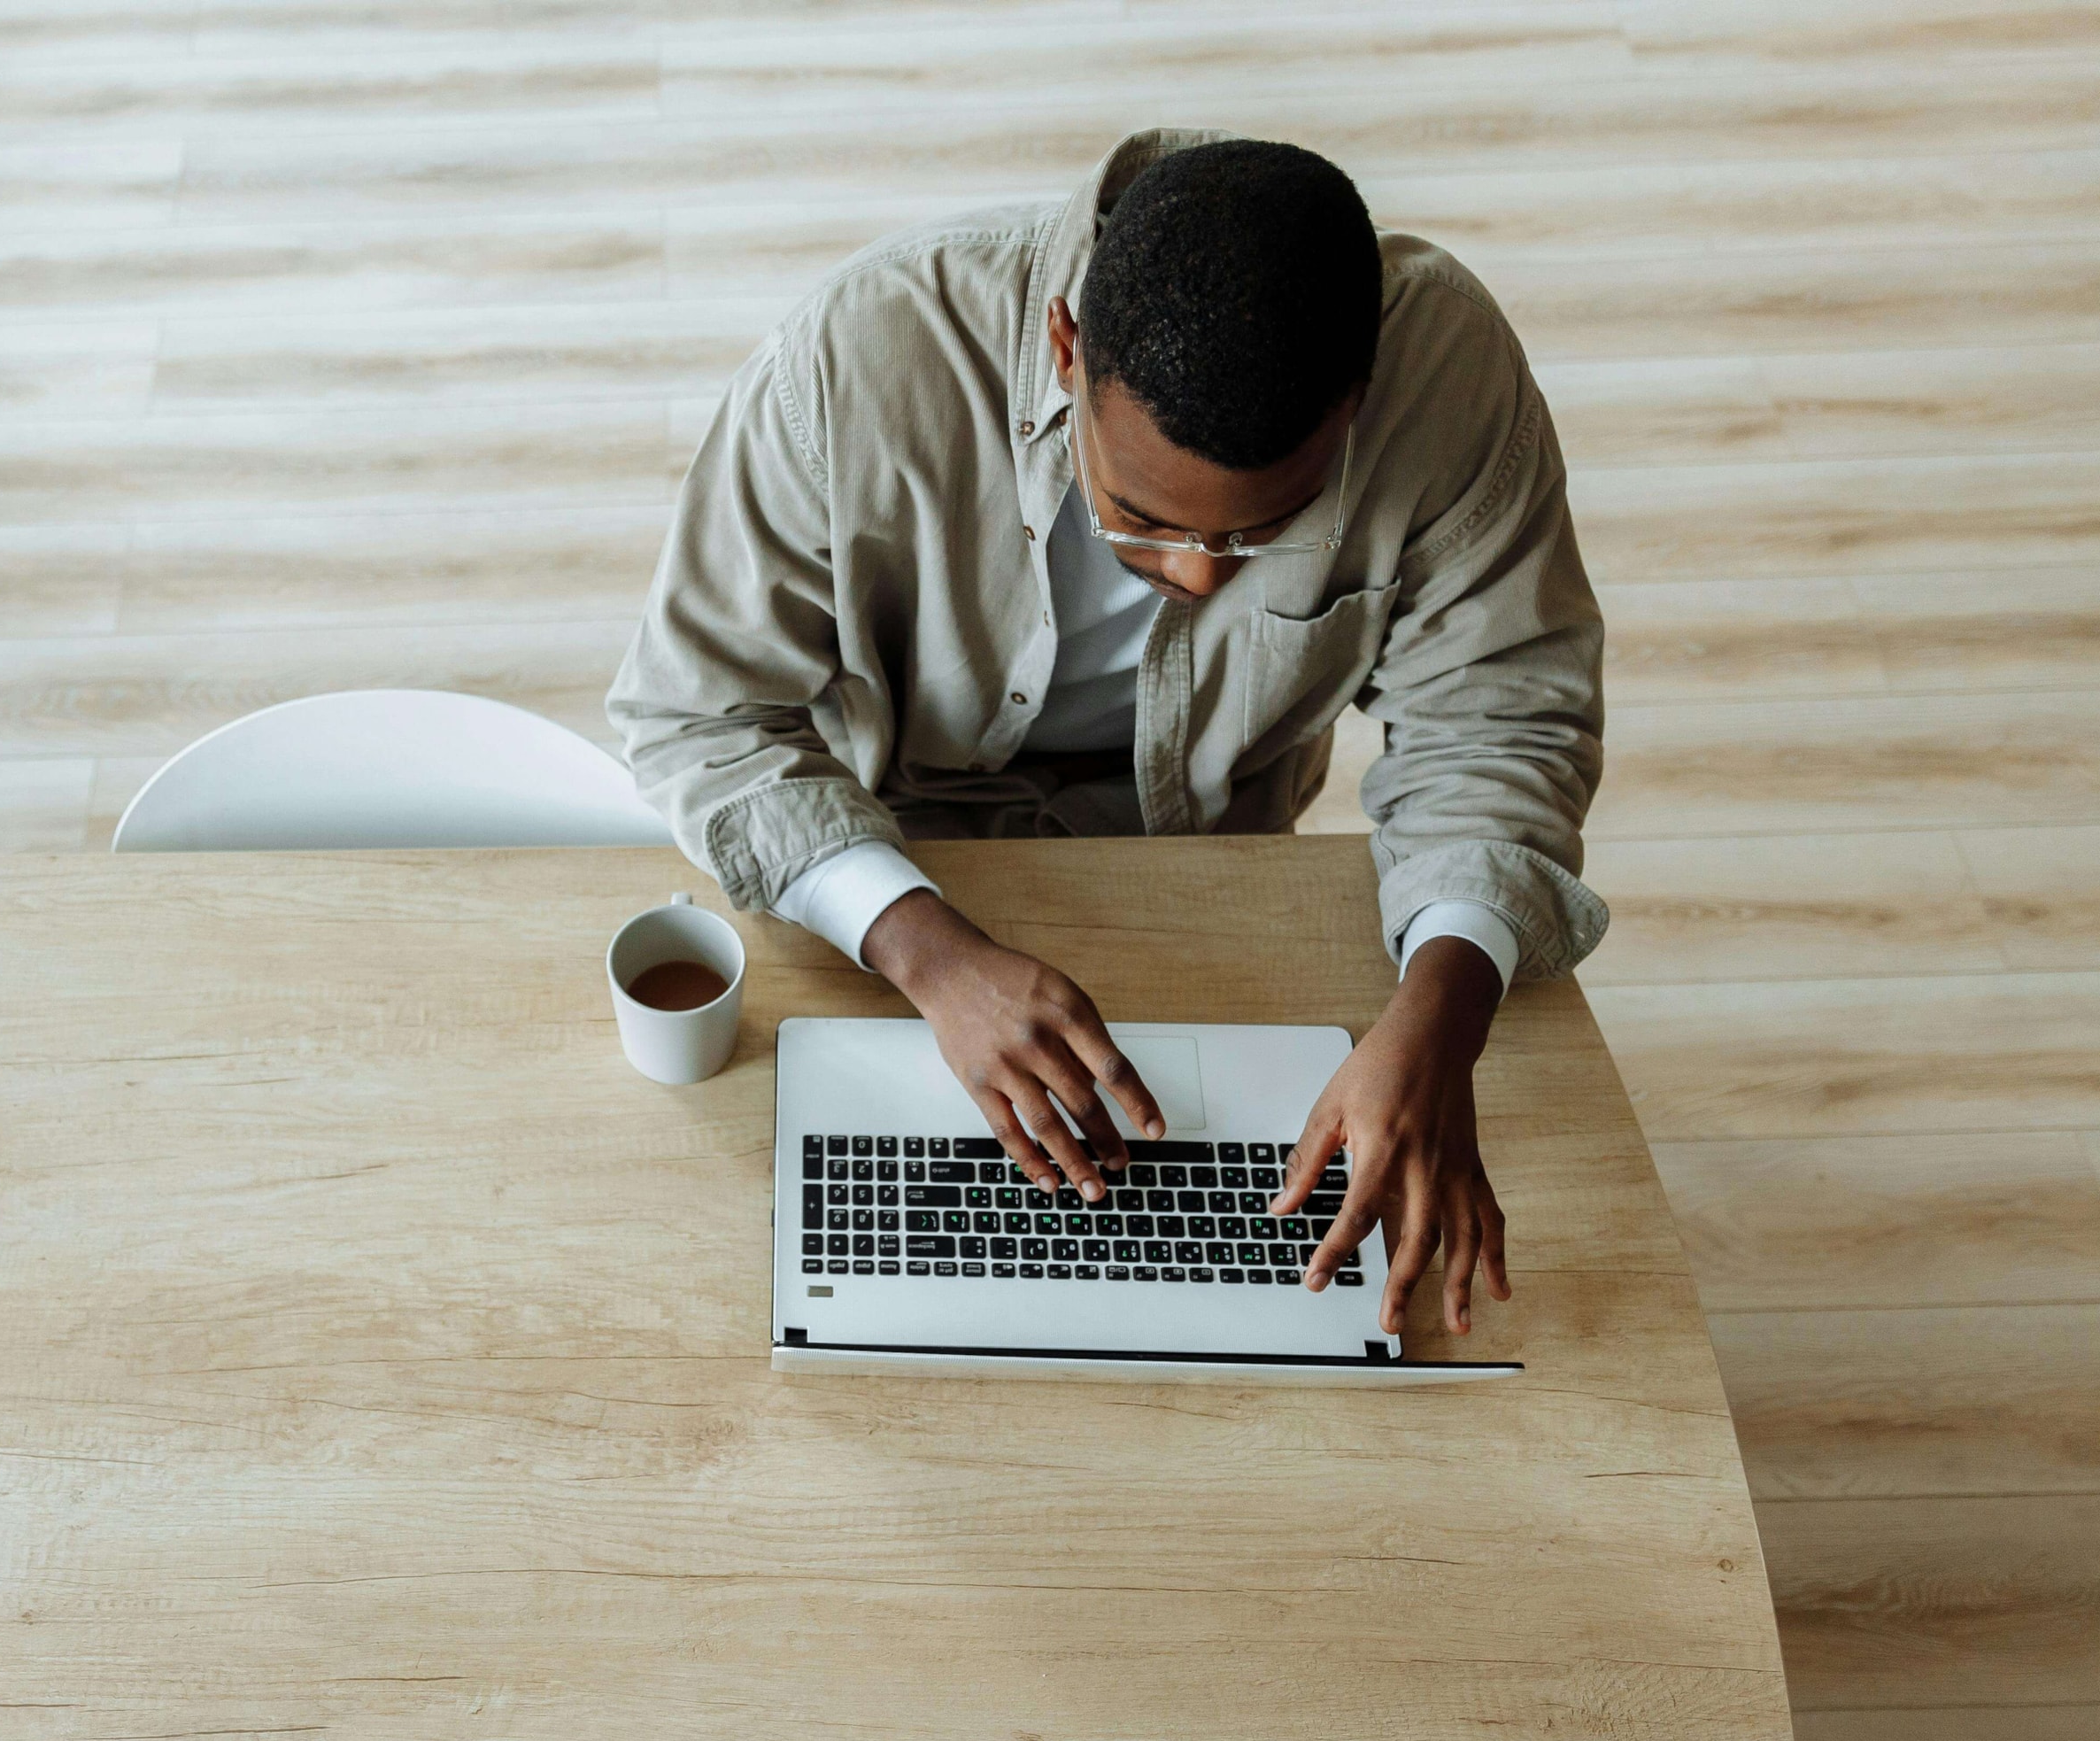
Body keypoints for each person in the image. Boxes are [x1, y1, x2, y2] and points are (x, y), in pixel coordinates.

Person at [608, 128, 1604, 1339]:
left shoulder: (1444, 375)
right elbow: (696, 709)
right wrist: (929, 956)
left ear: (1355, 402)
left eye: (1257, 535)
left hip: (1217, 851)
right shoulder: (858, 356)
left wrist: (1441, 1020)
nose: (1190, 576)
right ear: (1066, 347)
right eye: (1137, 515)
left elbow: (1498, 718)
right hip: (887, 849)